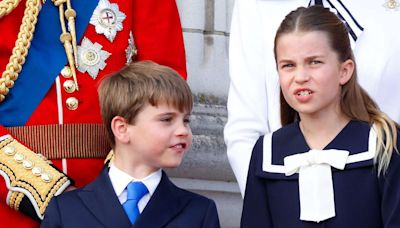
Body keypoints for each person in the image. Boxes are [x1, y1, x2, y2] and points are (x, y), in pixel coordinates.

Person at [0, 0, 187, 227]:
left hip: (112, 198)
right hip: (9, 202)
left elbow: (165, 96)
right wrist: (44, 188)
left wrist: (109, 191)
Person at [241, 6, 400, 227]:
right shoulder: (267, 152)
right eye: (288, 65)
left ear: (344, 70)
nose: (300, 76)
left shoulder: (385, 144)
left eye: (314, 62)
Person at [40, 61, 220, 228]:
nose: (183, 131)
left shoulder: (199, 212)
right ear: (122, 129)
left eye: (186, 120)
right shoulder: (65, 211)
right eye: (167, 119)